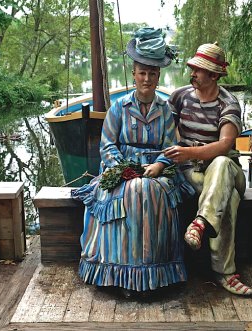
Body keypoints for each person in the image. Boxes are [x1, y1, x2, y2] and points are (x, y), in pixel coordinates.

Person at [72, 28, 193, 296]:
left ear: (158, 76)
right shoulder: (119, 108)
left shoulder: (165, 111)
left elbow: (172, 146)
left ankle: (152, 276)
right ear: (134, 74)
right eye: (142, 73)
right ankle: (122, 276)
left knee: (150, 192)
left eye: (152, 74)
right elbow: (107, 146)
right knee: (128, 192)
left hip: (157, 171)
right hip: (122, 169)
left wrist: (160, 165)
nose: (147, 79)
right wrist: (123, 169)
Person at [164, 42, 252, 296]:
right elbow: (165, 133)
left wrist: (189, 152)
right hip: (193, 173)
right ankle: (226, 273)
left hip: (226, 170)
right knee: (228, 198)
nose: (192, 73)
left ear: (214, 75)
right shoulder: (179, 96)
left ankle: (201, 222)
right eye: (192, 68)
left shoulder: (228, 102)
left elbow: (226, 145)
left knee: (222, 165)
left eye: (198, 69)